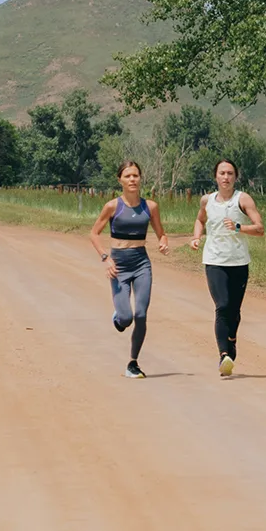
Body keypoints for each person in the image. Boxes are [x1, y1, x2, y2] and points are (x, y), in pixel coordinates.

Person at [90, 161, 169, 378]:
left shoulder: (150, 207)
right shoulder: (112, 206)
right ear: (120, 180)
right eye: (128, 176)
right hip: (119, 265)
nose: (132, 180)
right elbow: (94, 233)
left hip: (141, 263)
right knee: (126, 318)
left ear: (140, 178)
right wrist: (106, 258)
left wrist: (163, 242)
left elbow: (161, 232)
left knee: (141, 314)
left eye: (136, 176)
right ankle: (119, 316)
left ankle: (133, 363)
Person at [190, 159, 264, 377]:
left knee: (234, 310)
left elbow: (260, 228)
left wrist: (239, 227)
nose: (226, 177)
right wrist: (196, 237)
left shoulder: (243, 199)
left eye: (230, 173)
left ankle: (231, 342)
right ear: (215, 176)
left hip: (239, 262)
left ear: (235, 177)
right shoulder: (207, 200)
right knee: (222, 306)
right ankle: (224, 355)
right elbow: (200, 220)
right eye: (222, 173)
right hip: (214, 261)